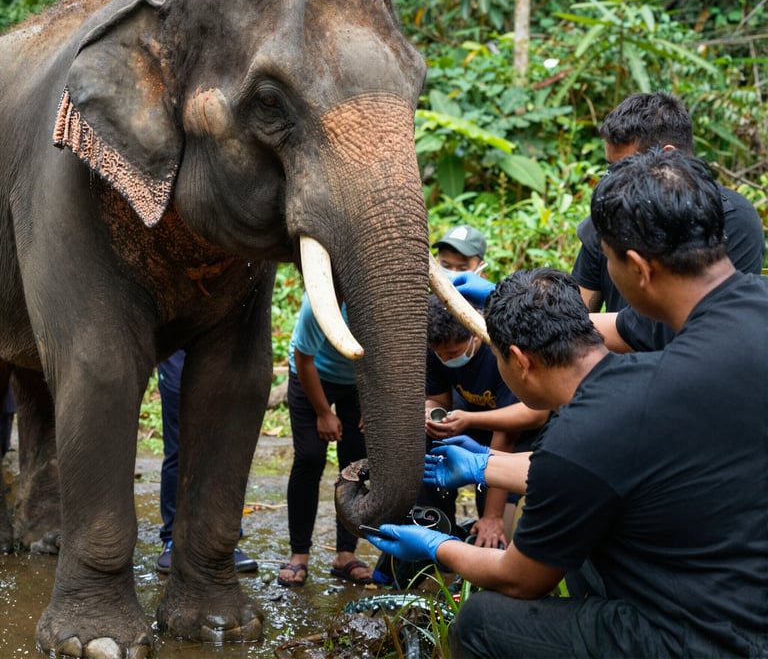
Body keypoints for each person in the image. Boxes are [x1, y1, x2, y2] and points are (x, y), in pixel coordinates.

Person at [367, 150, 768, 658]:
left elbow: (521, 578)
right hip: (739, 570)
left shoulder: (619, 411)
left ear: (638, 269)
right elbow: (603, 344)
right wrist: (488, 463)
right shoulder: (740, 311)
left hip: (707, 639)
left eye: (606, 258)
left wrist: (434, 546)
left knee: (483, 622)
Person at [572, 91, 764, 350]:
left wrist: (570, 331)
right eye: (610, 168)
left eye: (623, 168)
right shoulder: (609, 216)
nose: (612, 180)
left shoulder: (730, 218)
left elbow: (705, 329)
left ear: (669, 158)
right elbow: (576, 309)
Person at [424, 294, 547, 548]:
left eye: (454, 353)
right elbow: (438, 400)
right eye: (440, 355)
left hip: (523, 433)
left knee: (501, 529)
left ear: (476, 334)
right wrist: (431, 412)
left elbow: (511, 430)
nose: (447, 359)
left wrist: (492, 517)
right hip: (474, 424)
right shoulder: (436, 350)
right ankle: (437, 533)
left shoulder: (499, 353)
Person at [278, 292, 372, 587]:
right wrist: (323, 413)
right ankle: (299, 554)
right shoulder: (317, 302)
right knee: (310, 457)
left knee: (356, 463)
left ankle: (345, 554)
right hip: (312, 373)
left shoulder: (379, 298)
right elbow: (303, 359)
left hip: (359, 381)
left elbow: (390, 352)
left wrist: (372, 403)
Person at [155, 349, 259, 574]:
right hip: (175, 345)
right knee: (178, 447)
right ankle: (172, 538)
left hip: (219, 340)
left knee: (224, 447)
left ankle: (223, 542)